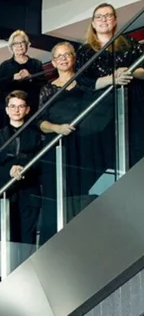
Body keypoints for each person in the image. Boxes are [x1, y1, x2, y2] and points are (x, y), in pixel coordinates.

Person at [76, 2, 144, 169]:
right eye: (99, 17)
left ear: (115, 20)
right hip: (102, 108)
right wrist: (111, 79)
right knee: (109, 151)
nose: (104, 20)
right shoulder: (85, 51)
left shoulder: (130, 43)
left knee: (137, 145)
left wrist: (129, 71)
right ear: (93, 23)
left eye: (108, 16)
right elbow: (82, 81)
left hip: (134, 102)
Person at [38, 42, 95, 237]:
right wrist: (57, 128)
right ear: (53, 62)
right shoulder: (47, 89)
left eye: (67, 54)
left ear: (73, 58)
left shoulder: (85, 82)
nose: (63, 59)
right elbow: (40, 122)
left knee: (83, 188)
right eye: (59, 56)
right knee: (57, 191)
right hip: (57, 145)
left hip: (84, 143)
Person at [0, 90, 42, 245]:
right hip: (6, 192)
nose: (16, 110)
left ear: (27, 109)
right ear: (7, 110)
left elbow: (39, 161)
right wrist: (10, 171)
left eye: (20, 106)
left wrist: (23, 168)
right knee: (8, 238)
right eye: (12, 106)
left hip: (29, 191)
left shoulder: (36, 135)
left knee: (28, 238)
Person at [0, 29, 45, 117]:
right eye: (16, 43)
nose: (19, 46)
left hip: (32, 107)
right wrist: (12, 78)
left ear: (27, 44)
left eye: (22, 42)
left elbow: (43, 85)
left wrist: (30, 77)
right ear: (11, 47)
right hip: (10, 111)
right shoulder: (5, 65)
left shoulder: (36, 63)